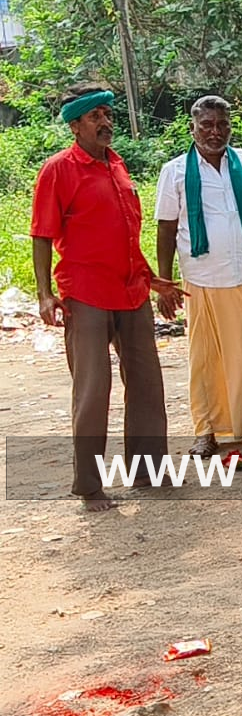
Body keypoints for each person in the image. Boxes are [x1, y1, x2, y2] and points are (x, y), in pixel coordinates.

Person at [30, 87, 182, 511]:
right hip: (86, 293)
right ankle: (89, 485)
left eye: (107, 114)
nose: (105, 122)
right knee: (94, 389)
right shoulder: (58, 170)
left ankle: (149, 470)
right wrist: (45, 295)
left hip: (131, 292)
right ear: (75, 125)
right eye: (94, 116)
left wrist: (154, 281)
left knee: (148, 383)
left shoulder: (117, 165)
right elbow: (42, 235)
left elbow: (126, 236)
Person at [154, 96, 242, 457]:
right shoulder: (174, 171)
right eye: (206, 125)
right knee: (206, 358)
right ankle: (207, 430)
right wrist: (164, 281)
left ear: (230, 127)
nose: (215, 132)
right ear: (193, 128)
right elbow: (166, 228)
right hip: (201, 278)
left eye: (222, 125)